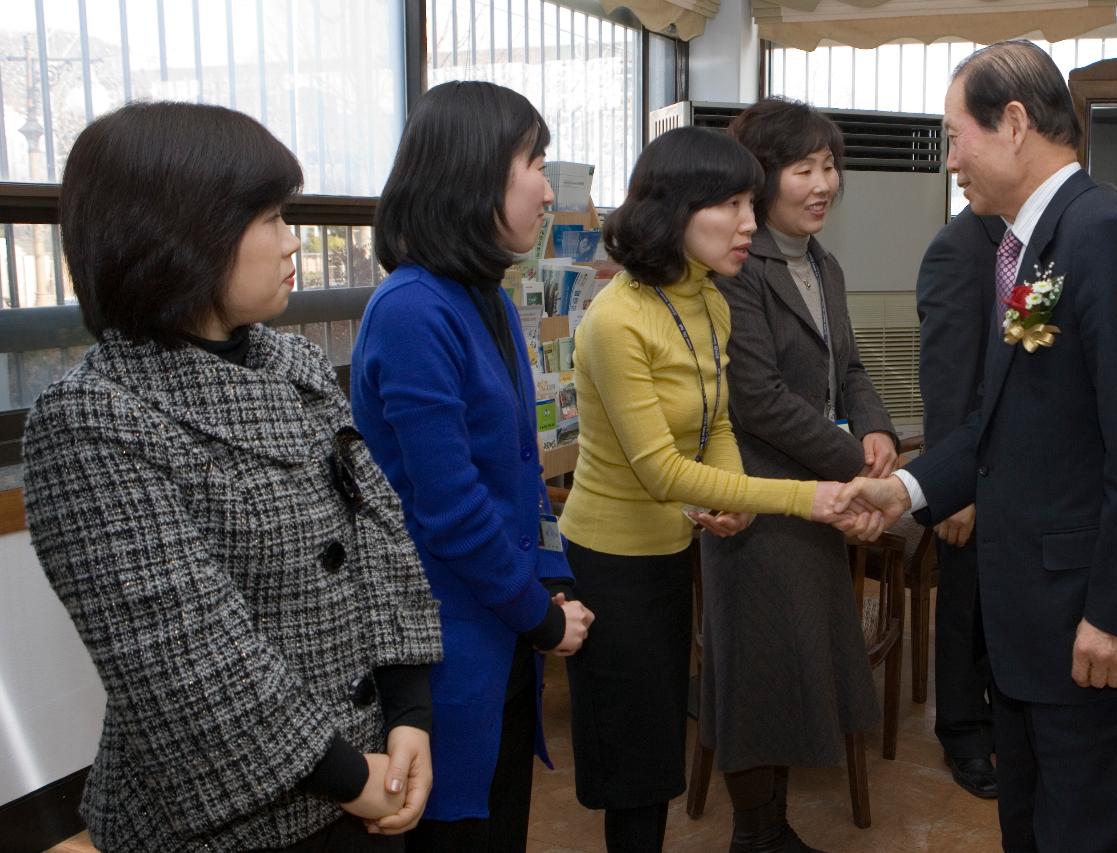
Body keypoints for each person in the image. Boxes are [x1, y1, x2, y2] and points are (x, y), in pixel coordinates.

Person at [842, 40, 1117, 852]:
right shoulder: (1034, 244)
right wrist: (909, 491)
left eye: (957, 136)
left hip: (1097, 629)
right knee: (1034, 829)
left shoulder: (1106, 237)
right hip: (1037, 628)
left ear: (1014, 122)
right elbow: (1000, 419)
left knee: (1090, 834)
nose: (949, 159)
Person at [21, 101, 444, 852]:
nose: (292, 240)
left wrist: (410, 711)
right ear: (181, 233)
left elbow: (380, 539)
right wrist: (353, 777)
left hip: (368, 766)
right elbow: (186, 660)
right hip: (230, 819)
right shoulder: (91, 418)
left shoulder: (297, 366)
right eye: (270, 217)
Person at [558, 126, 868, 853]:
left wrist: (727, 495)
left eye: (750, 205)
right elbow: (660, 468)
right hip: (610, 556)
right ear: (674, 210)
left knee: (660, 744)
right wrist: (799, 496)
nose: (750, 224)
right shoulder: (616, 318)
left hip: (669, 547)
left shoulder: (708, 300)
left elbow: (719, 423)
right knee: (634, 763)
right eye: (731, 205)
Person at [349, 81, 594, 852]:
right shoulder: (414, 309)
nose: (549, 187)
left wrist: (545, 585)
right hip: (446, 642)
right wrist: (545, 617)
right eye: (535, 161)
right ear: (475, 171)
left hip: (501, 625)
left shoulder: (483, 296)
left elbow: (517, 470)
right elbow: (451, 509)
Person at [688, 97, 895, 852]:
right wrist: (858, 470)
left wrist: (874, 429)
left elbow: (853, 367)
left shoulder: (825, 264)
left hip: (819, 502)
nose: (823, 183)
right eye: (803, 168)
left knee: (792, 664)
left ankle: (772, 826)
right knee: (757, 674)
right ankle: (757, 831)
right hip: (756, 501)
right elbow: (760, 400)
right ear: (762, 177)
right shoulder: (737, 270)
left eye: (830, 165)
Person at [914, 205, 1006, 799]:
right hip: (971, 472)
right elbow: (947, 384)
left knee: (999, 607)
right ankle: (963, 732)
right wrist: (953, 490)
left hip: (1019, 473)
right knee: (965, 607)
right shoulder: (959, 248)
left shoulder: (1031, 240)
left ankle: (999, 717)